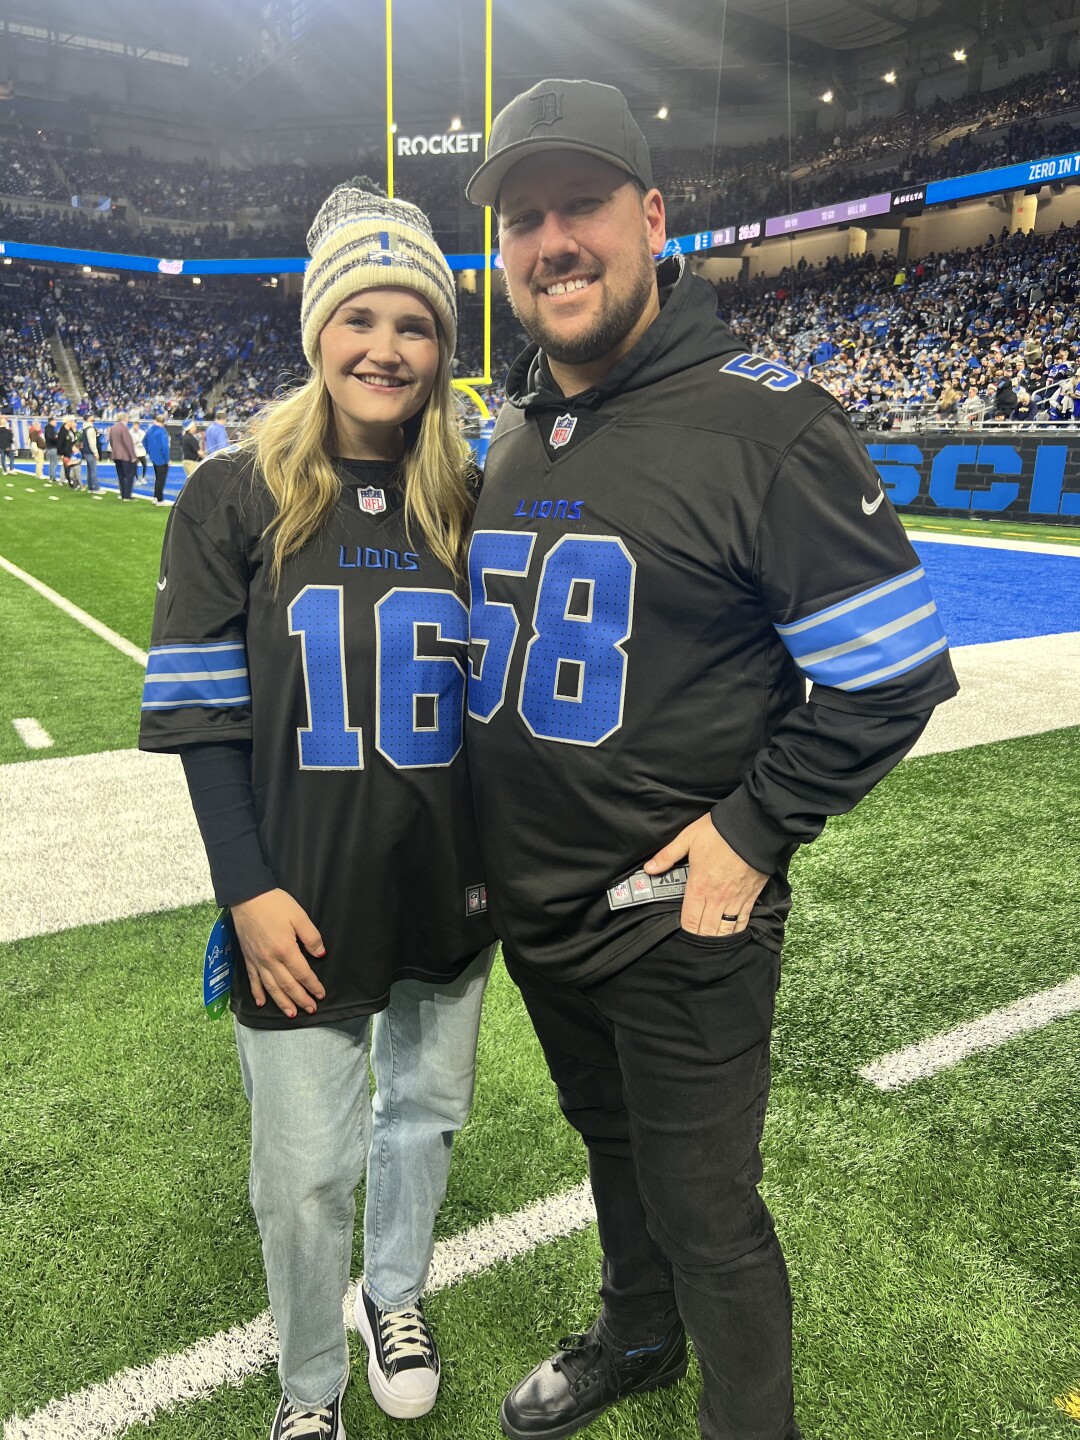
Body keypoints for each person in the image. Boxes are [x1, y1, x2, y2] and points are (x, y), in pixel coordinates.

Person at [463, 79, 958, 1440]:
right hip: (541, 907)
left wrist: (752, 833)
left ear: (655, 217)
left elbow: (895, 672)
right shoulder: (511, 424)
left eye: (582, 206)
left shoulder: (768, 421)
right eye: (525, 219)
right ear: (501, 253)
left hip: (680, 924)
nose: (554, 240)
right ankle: (637, 1331)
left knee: (708, 1212)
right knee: (610, 1155)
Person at [138, 180, 495, 1440]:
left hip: (447, 879)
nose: (385, 349)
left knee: (428, 1116)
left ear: (444, 347)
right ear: (317, 330)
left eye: (415, 324)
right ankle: (309, 1390)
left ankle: (393, 1290)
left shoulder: (475, 495)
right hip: (295, 889)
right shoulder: (233, 495)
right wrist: (247, 888)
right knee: (300, 1178)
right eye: (360, 319)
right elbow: (201, 725)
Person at [108, 412, 137, 500]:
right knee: (129, 476)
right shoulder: (124, 429)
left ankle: (122, 493)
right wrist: (133, 456)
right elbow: (128, 443)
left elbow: (111, 441)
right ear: (124, 418)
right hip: (125, 456)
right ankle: (127, 495)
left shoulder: (113, 428)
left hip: (116, 455)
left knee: (121, 475)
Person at [144, 415, 172, 504]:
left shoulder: (150, 430)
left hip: (154, 457)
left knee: (157, 478)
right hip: (161, 458)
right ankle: (159, 499)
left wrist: (149, 451)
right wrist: (167, 459)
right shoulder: (162, 431)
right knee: (161, 479)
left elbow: (144, 441)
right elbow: (164, 447)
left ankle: (156, 497)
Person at [81, 414, 102, 495]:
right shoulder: (90, 429)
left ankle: (90, 487)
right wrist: (95, 452)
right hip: (90, 451)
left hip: (86, 451)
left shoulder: (85, 428)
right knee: (93, 470)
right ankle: (96, 487)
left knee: (89, 470)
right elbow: (92, 442)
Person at [130, 417, 149, 482]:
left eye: (137, 425)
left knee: (144, 464)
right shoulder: (130, 432)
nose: (136, 426)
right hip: (134, 451)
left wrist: (137, 442)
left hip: (142, 451)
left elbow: (142, 440)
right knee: (135, 465)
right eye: (135, 425)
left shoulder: (142, 432)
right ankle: (137, 478)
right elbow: (131, 441)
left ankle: (143, 477)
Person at [43, 416, 60, 483]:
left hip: (50, 447)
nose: (56, 422)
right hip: (53, 448)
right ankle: (52, 477)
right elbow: (51, 438)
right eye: (54, 421)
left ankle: (52, 476)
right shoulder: (50, 429)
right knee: (54, 463)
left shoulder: (48, 429)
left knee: (52, 463)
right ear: (51, 422)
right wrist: (56, 438)